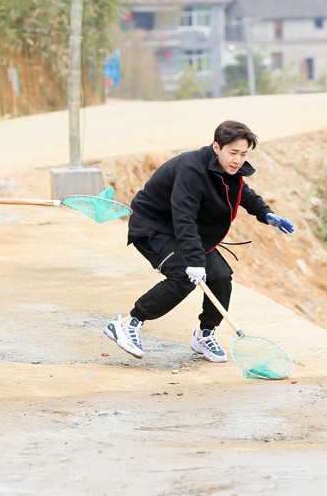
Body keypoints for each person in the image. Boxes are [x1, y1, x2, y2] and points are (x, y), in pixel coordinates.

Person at [104, 120, 295, 362]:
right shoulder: (192, 169)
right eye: (233, 153)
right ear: (217, 147)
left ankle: (204, 334)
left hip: (186, 231)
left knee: (221, 276)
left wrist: (266, 214)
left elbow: (242, 193)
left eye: (243, 154)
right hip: (154, 228)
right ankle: (127, 323)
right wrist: (194, 261)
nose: (238, 160)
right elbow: (184, 216)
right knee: (183, 275)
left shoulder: (228, 169)